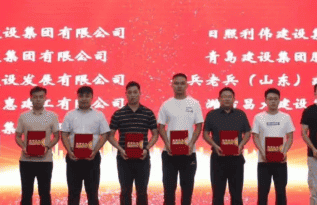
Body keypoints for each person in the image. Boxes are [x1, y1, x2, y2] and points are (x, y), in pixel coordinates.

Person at [108, 81, 159, 205]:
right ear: (126, 94)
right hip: (124, 159)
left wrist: (146, 149)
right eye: (130, 93)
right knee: (125, 192)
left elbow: (155, 134)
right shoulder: (118, 114)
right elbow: (110, 136)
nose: (132, 95)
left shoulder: (148, 113)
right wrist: (120, 149)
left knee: (142, 192)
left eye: (135, 92)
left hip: (142, 159)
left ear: (140, 93)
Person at [157, 73, 204, 205]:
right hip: (169, 153)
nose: (179, 86)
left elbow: (199, 126)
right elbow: (161, 127)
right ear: (172, 85)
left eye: (182, 83)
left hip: (188, 153)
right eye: (176, 83)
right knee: (169, 191)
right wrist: (167, 144)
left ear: (187, 85)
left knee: (187, 191)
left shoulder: (194, 104)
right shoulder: (166, 105)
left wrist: (191, 143)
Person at [61, 86, 110, 205]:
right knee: (73, 194)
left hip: (92, 158)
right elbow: (64, 134)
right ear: (77, 97)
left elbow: (105, 134)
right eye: (81, 96)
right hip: (73, 158)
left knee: (93, 194)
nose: (84, 99)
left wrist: (95, 151)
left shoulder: (99, 115)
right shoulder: (70, 115)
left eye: (87, 96)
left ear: (92, 98)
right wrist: (69, 151)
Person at [203, 87, 251, 205]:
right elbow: (205, 134)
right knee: (217, 194)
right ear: (219, 99)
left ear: (234, 99)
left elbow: (248, 132)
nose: (227, 99)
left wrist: (241, 145)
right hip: (218, 159)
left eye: (230, 96)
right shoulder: (212, 114)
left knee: (237, 194)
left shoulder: (240, 114)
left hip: (236, 159)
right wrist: (214, 145)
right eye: (224, 96)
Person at [15, 86, 60, 205]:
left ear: (45, 98)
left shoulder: (52, 116)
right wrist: (24, 147)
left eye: (41, 97)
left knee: (45, 193)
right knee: (26, 193)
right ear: (31, 99)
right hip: (26, 161)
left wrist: (47, 147)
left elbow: (56, 136)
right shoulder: (24, 116)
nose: (38, 99)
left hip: (45, 161)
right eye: (35, 97)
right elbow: (18, 136)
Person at [252, 88, 295, 205]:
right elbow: (255, 137)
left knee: (281, 193)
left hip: (281, 161)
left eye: (275, 99)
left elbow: (290, 137)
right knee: (262, 193)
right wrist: (262, 152)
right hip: (263, 161)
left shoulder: (285, 117)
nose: (273, 101)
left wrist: (284, 152)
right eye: (270, 99)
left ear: (279, 100)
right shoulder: (258, 117)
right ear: (265, 100)